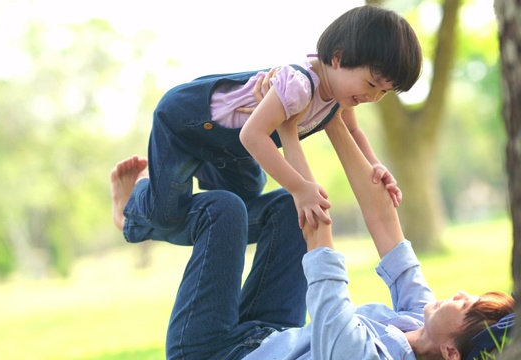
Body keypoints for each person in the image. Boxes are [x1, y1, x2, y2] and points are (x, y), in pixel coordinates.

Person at [154, 115, 513, 359]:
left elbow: (320, 244)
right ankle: (203, 164)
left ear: (451, 353)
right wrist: (335, 116)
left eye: (466, 306)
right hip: (271, 337)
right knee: (283, 208)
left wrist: (289, 127)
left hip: (215, 352)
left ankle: (138, 216)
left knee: (225, 211)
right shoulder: (417, 319)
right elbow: (386, 226)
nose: (463, 294)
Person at [111, 5, 423, 245]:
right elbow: (252, 135)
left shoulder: (340, 95)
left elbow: (353, 132)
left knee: (249, 190)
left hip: (226, 148)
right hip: (186, 122)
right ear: (338, 58)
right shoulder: (299, 85)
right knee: (166, 214)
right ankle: (137, 196)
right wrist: (299, 189)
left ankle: (198, 168)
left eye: (383, 91)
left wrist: (375, 164)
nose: (373, 96)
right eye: (371, 83)